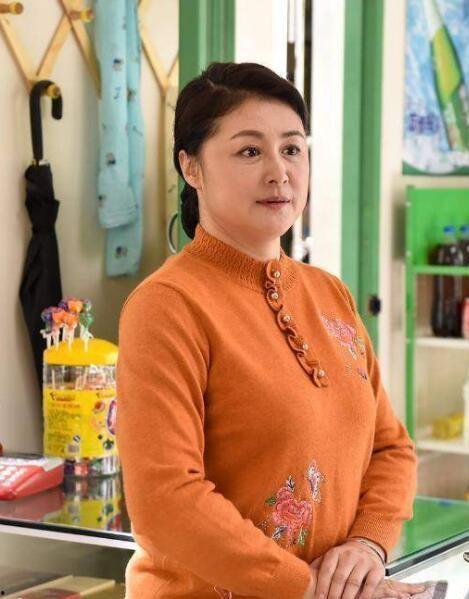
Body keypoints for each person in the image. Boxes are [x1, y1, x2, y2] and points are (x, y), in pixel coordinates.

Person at [116, 62, 426, 599]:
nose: (279, 172)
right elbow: (165, 500)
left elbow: (390, 448)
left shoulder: (330, 293)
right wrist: (306, 587)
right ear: (191, 167)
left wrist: (367, 546)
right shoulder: (166, 306)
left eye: (292, 148)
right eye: (249, 151)